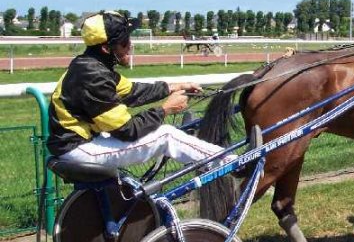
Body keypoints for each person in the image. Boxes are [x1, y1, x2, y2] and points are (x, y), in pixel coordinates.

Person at [47, 11, 236, 168]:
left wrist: (177, 86)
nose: (130, 45)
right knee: (167, 135)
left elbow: (133, 91)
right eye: (124, 42)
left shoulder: (91, 65)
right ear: (106, 48)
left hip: (77, 143)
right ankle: (231, 162)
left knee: (164, 133)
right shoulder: (93, 76)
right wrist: (166, 109)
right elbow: (127, 130)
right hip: (78, 149)